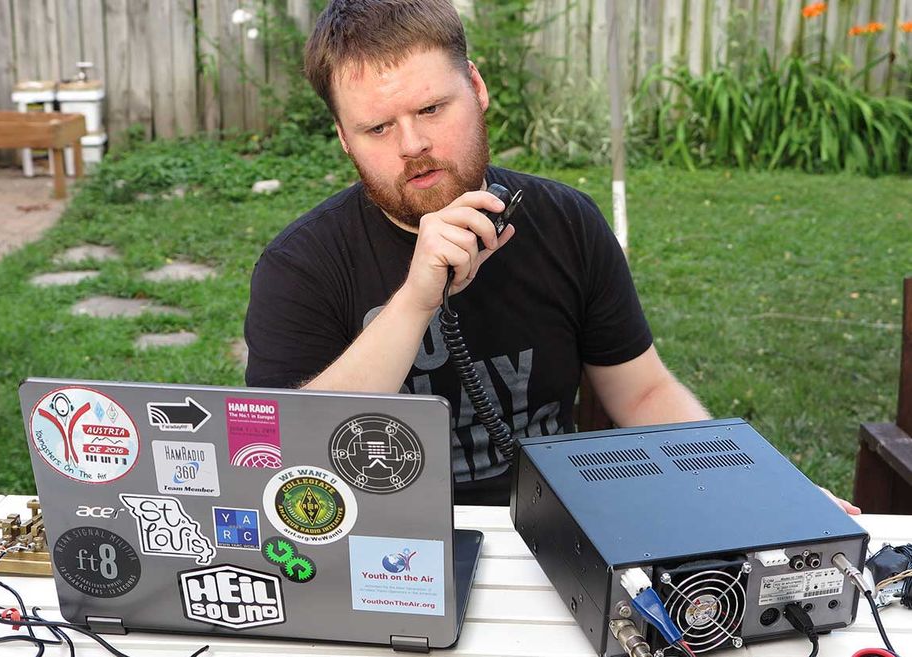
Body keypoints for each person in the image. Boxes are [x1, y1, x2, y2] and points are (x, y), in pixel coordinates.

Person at [244, 0, 858, 512]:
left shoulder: (567, 223)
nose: (415, 145)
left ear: (477, 88)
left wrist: (762, 490)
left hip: (555, 522)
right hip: (376, 536)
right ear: (344, 137)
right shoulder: (301, 264)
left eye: (432, 108)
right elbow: (286, 451)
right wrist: (415, 302)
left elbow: (642, 394)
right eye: (378, 128)